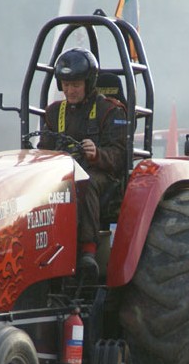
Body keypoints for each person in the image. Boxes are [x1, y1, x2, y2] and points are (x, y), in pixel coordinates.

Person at [38, 48, 128, 279]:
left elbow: (119, 156)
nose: (70, 90)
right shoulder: (53, 112)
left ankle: (88, 252)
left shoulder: (110, 110)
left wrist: (97, 154)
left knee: (84, 183)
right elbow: (42, 150)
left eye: (76, 85)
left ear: (89, 83)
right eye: (66, 84)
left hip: (101, 176)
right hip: (61, 174)